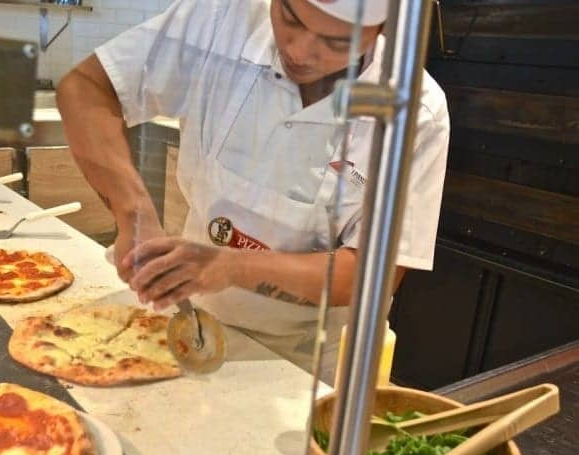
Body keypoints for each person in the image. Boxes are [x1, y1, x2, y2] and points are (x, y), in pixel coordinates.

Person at [57, 0, 450, 343]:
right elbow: (86, 87)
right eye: (290, 17)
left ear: (382, 28)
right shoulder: (221, 20)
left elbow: (372, 277)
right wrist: (134, 214)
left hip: (313, 360)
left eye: (337, 42)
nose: (299, 51)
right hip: (192, 322)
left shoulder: (415, 111)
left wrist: (233, 267)